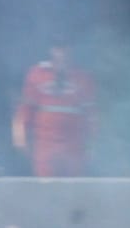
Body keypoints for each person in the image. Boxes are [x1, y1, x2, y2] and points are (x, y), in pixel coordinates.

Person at [14, 41, 97, 178]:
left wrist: (92, 145)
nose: (62, 53)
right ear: (51, 50)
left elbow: (92, 117)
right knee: (46, 191)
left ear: (72, 51)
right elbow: (24, 111)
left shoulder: (83, 78)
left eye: (66, 48)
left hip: (74, 148)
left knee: (73, 191)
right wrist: (20, 139)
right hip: (44, 147)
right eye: (58, 48)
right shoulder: (37, 74)